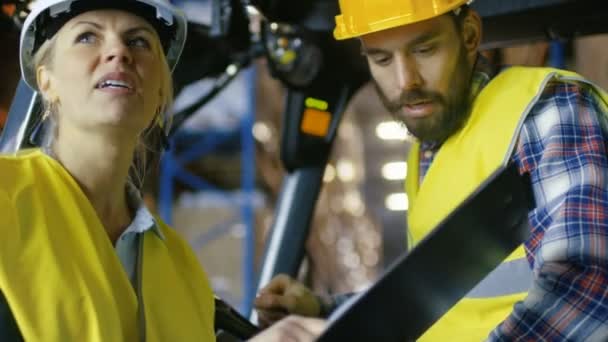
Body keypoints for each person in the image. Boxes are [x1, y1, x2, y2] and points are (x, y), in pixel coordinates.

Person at [255, 0, 608, 341]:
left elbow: (586, 286)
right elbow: (434, 306)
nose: (406, 81)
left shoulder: (548, 111)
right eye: (381, 59)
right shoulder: (427, 156)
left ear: (469, 35)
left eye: (425, 50)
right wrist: (323, 310)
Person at [0, 0, 323, 340]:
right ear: (46, 80)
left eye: (138, 41)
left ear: (159, 91)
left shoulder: (182, 268)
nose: (118, 52)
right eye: (87, 37)